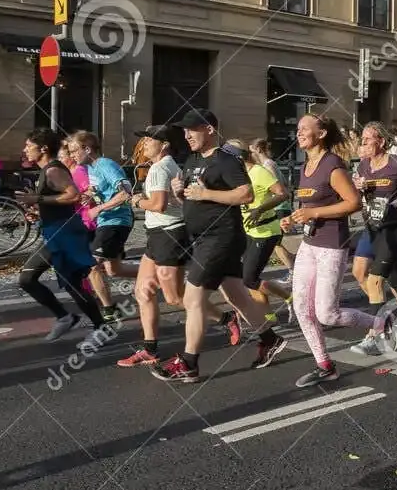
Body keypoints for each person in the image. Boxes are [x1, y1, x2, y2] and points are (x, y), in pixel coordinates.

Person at [151, 110, 285, 382]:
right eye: (184, 131)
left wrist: (205, 193)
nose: (186, 135)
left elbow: (245, 194)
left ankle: (188, 363)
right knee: (238, 296)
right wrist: (181, 193)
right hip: (202, 238)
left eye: (192, 129)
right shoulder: (191, 160)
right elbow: (192, 198)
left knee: (192, 298)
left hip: (220, 238)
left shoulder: (226, 160)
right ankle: (269, 338)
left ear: (210, 129)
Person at [282, 115, 378, 387]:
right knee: (301, 307)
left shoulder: (332, 165)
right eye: (297, 128)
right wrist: (294, 217)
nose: (299, 132)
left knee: (327, 314)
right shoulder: (306, 166)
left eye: (304, 128)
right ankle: (325, 365)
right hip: (309, 244)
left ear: (321, 133)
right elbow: (308, 206)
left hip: (331, 246)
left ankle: (382, 323)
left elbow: (353, 202)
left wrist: (313, 211)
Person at [16, 128, 107, 341]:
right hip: (57, 233)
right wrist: (38, 213)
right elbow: (58, 202)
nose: (25, 149)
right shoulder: (46, 170)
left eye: (29, 146)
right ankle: (73, 320)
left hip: (66, 235)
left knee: (33, 278)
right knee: (62, 282)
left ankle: (86, 324)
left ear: (44, 148)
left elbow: (73, 195)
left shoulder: (52, 170)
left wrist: (37, 200)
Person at [118, 127, 191, 368]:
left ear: (165, 144)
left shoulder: (160, 168)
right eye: (144, 140)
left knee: (173, 298)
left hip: (169, 234)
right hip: (158, 234)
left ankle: (225, 317)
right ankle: (150, 349)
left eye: (150, 140)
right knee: (142, 291)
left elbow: (159, 205)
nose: (144, 144)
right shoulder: (161, 166)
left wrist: (136, 200)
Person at [350, 123, 397, 354]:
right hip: (372, 226)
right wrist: (359, 187)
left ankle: (376, 332)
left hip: (394, 227)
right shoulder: (363, 165)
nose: (362, 144)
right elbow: (359, 195)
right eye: (362, 139)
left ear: (381, 142)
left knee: (375, 279)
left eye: (366, 139)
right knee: (366, 274)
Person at [67, 132, 135, 323]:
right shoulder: (92, 167)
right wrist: (89, 194)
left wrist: (99, 208)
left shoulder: (105, 164)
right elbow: (102, 189)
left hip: (116, 221)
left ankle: (109, 310)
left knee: (92, 264)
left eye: (74, 151)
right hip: (106, 221)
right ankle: (151, 275)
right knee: (113, 270)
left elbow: (126, 192)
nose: (72, 155)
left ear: (87, 149)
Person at [237, 138, 292, 310]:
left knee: (249, 278)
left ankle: (291, 299)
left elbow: (283, 194)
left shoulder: (259, 171)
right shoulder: (239, 175)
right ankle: (267, 317)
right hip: (248, 231)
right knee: (248, 279)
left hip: (266, 231)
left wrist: (259, 210)